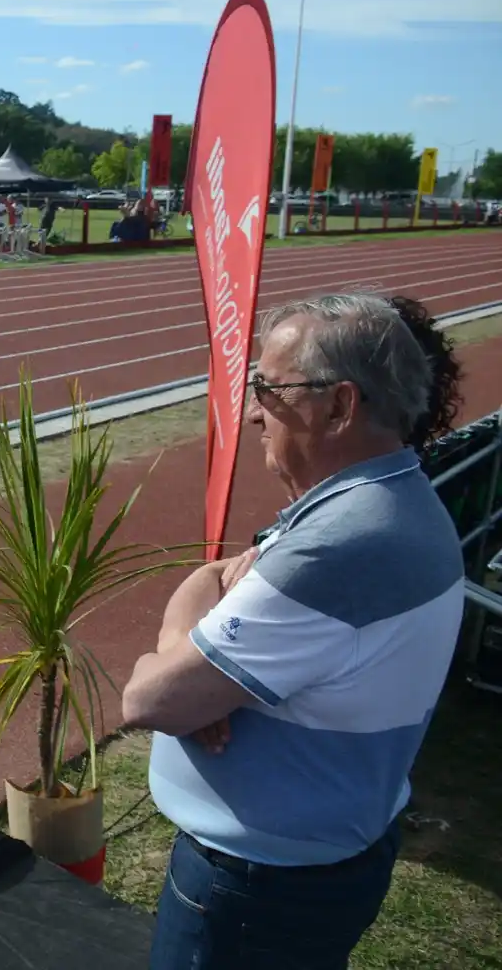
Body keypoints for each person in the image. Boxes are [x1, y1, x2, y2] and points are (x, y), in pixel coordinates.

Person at [119, 291, 466, 969]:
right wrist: (195, 646)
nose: (253, 411)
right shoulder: (386, 501)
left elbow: (150, 701)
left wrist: (182, 671)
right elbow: (214, 579)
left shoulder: (340, 545)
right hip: (311, 864)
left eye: (269, 390)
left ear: (339, 406)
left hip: (257, 889)